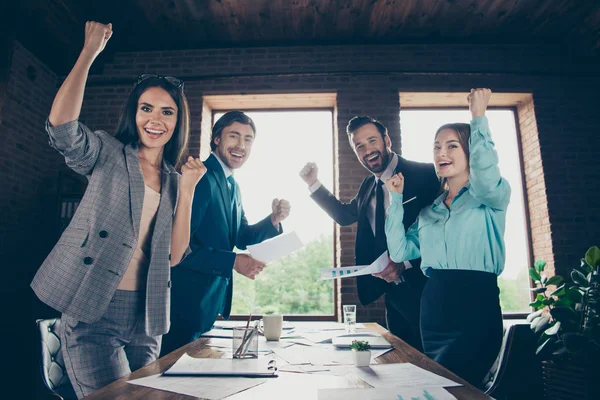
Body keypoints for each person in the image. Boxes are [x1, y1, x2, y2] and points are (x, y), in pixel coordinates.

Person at [29, 21, 206, 399]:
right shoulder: (108, 153)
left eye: (167, 112)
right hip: (94, 307)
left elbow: (175, 255)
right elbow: (61, 127)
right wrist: (89, 52)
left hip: (148, 315)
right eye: (146, 109)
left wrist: (188, 191)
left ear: (178, 121)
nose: (155, 120)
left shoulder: (175, 180)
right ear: (134, 112)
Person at [385, 88, 509, 387]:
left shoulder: (490, 197)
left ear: (469, 151)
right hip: (435, 304)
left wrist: (478, 118)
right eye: (437, 147)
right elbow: (400, 252)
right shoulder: (430, 212)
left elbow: (486, 172)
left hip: (476, 302)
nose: (441, 153)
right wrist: (395, 200)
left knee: (468, 384)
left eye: (452, 146)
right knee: (440, 384)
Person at [299, 116, 439, 350]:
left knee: (433, 366)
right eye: (359, 146)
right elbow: (345, 216)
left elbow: (439, 228)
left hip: (427, 288)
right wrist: (313, 183)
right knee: (403, 361)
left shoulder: (425, 174)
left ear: (387, 140)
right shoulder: (367, 186)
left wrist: (404, 264)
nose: (367, 150)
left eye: (372, 141)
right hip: (392, 293)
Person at [160, 111, 291, 356]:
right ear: (217, 139)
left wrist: (273, 220)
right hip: (182, 305)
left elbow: (240, 236)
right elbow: (178, 248)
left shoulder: (232, 184)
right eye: (234, 136)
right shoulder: (201, 178)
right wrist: (233, 261)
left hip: (206, 305)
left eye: (248, 139)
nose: (241, 145)